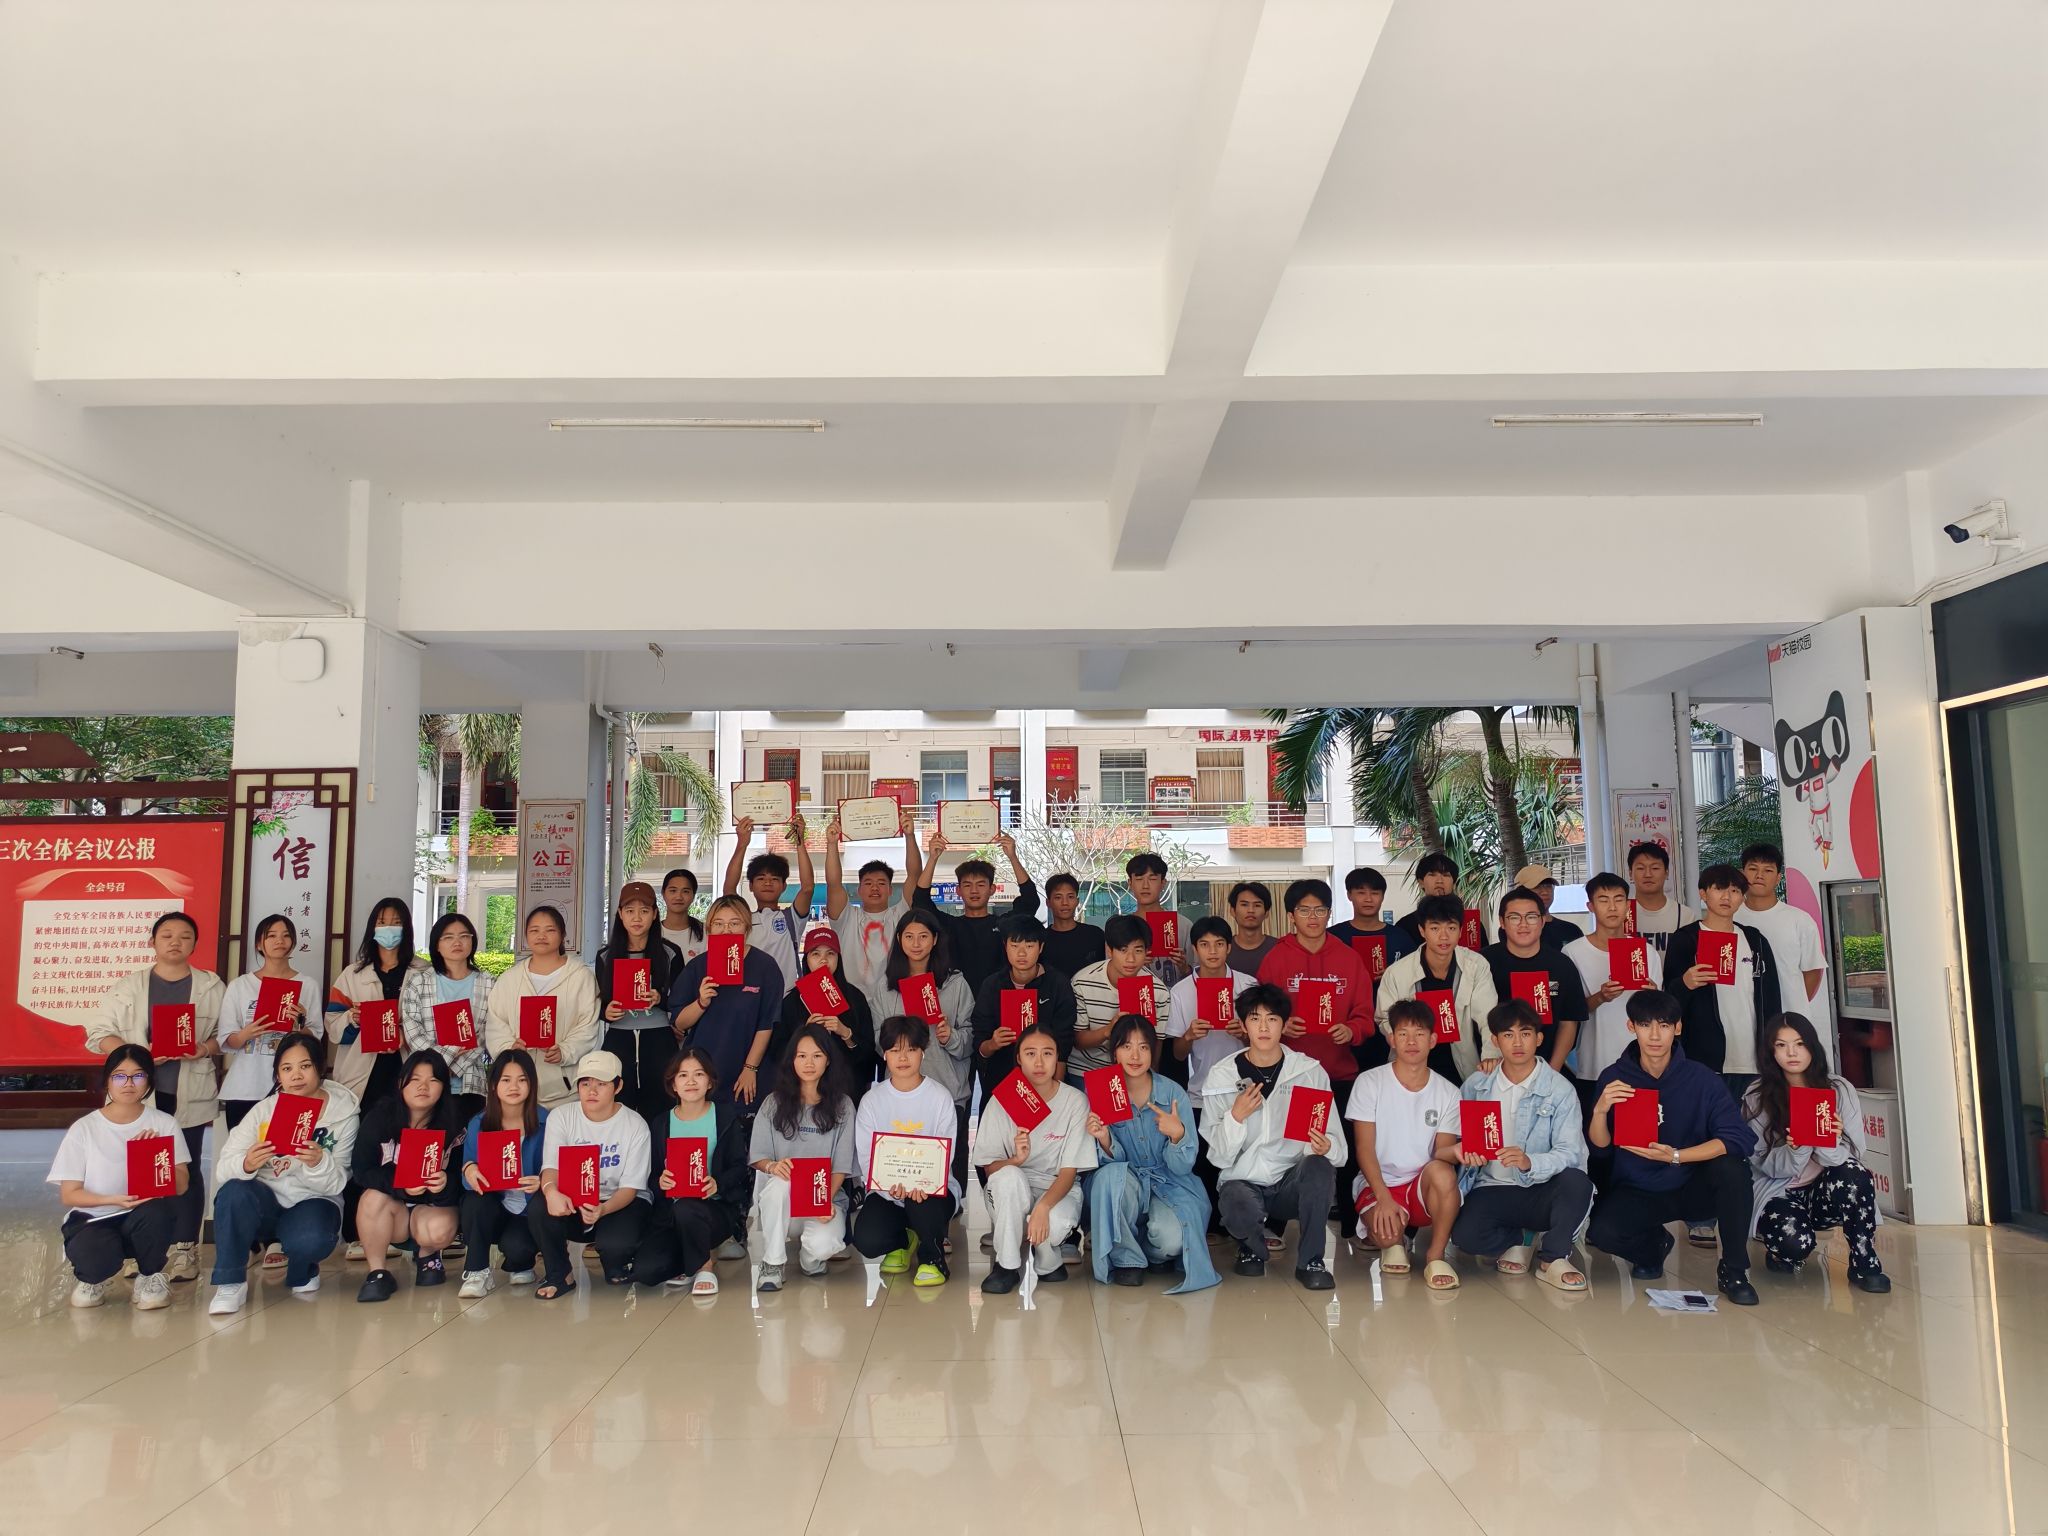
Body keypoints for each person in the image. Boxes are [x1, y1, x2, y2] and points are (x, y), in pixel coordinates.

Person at [1585, 990, 1760, 1305]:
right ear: (1631, 1027)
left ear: (1678, 1028)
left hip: (1692, 1184)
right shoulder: (1614, 1078)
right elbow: (1600, 1150)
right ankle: (1653, 1247)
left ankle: (1734, 1270)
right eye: (1645, 1025)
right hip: (1638, 1187)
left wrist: (1677, 1156)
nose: (1655, 1035)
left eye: (1664, 1025)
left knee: (1733, 1169)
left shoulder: (1702, 1078)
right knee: (1602, 1233)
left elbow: (1738, 1138)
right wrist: (1600, 1111)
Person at [86, 910, 224, 1285]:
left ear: (195, 944)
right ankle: (142, 1249)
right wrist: (135, 1054)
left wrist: (204, 1048)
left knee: (185, 1167)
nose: (175, 942)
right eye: (167, 935)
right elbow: (98, 1032)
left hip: (188, 1089)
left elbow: (227, 1035)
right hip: (139, 1094)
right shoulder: (129, 986)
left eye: (184, 936)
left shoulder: (211, 986)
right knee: (141, 1168)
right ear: (152, 942)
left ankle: (185, 1249)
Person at [1199, 983, 1342, 1291]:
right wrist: (1236, 1117)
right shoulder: (1222, 1075)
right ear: (1243, 1025)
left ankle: (1311, 1261)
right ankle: (1252, 1247)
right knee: (1235, 1199)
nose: (1263, 1027)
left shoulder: (1308, 1071)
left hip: (1291, 1181)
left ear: (1284, 1024)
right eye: (1255, 1018)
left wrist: (1326, 1145)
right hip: (1244, 1180)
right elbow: (1218, 1157)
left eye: (1272, 1019)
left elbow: (1334, 1138)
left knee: (1320, 1165)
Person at [208, 1031, 359, 1314]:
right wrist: (247, 1164)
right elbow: (223, 1168)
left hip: (313, 1200)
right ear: (278, 1075)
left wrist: (318, 1162)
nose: (296, 1076)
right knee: (233, 1192)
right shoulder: (264, 1111)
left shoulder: (344, 1114)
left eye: (305, 1066)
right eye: (287, 1069)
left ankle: (303, 1270)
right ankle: (230, 1282)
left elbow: (338, 1182)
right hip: (265, 1201)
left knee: (312, 1238)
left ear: (320, 1068)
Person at [1450, 1001, 1593, 1291]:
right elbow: (1456, 1138)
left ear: (1538, 1039)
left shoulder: (1559, 1088)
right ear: (1495, 1041)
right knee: (1465, 1238)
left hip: (1541, 1187)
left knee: (1577, 1183)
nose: (1517, 1043)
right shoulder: (1476, 1085)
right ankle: (1521, 1239)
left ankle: (1553, 1257)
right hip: (1491, 1187)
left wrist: (1530, 1162)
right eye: (1508, 1034)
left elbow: (1571, 1152)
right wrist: (1467, 1153)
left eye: (1525, 1034)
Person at [1743, 1012, 1889, 1292]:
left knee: (1854, 1174)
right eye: (1781, 1045)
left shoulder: (1838, 1089)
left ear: (1812, 1046)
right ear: (1771, 1051)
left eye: (1799, 1044)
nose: (1792, 1053)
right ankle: (1782, 1251)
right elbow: (1760, 1162)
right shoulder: (1758, 1095)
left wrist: (1828, 1139)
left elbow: (1853, 1156)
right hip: (1780, 1189)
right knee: (1795, 1244)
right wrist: (1795, 1149)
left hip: (1825, 1189)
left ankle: (1864, 1262)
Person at [49, 1044, 190, 1310]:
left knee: (157, 1212)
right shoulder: (84, 1128)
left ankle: (150, 1276)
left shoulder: (164, 1123)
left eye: (138, 1075)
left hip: (143, 1216)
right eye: (119, 1076)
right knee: (95, 1259)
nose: (128, 1083)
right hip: (94, 1218)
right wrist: (114, 1199)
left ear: (149, 1081)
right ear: (107, 1081)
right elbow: (69, 1195)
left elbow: (182, 1186)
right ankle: (93, 1280)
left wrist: (155, 1155)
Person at [1084, 1015, 1217, 1293]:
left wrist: (1177, 1135)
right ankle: (1128, 1259)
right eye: (1126, 1047)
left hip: (1170, 1181)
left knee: (1172, 1241)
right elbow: (1107, 1165)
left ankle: (1153, 1252)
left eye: (1143, 1047)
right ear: (1114, 1052)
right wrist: (1105, 1138)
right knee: (1109, 1177)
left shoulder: (1173, 1093)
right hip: (1127, 1182)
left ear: (1153, 1051)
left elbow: (1183, 1167)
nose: (1135, 1056)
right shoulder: (1103, 1089)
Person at [1348, 1000, 1464, 1290]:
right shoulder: (1369, 1082)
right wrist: (1384, 1198)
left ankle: (1436, 1255)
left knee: (1443, 1173)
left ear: (1433, 1040)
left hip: (1421, 1185)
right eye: (1403, 1034)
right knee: (1388, 1239)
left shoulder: (1449, 1092)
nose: (1411, 1042)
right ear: (1391, 1039)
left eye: (1419, 1034)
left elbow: (1441, 1154)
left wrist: (1458, 1152)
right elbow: (1364, 1148)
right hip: (1380, 1182)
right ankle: (1396, 1238)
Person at [974, 1019, 1096, 1294]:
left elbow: (1069, 1172)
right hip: (1010, 1190)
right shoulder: (1001, 1099)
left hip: (1057, 1188)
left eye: (1047, 1053)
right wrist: (1015, 1160)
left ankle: (1047, 1259)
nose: (1039, 1062)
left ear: (1057, 1057)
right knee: (1009, 1177)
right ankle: (1006, 1266)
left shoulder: (1074, 1101)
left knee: (1052, 1224)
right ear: (1019, 1058)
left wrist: (1041, 1209)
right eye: (1030, 1053)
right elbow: (990, 1169)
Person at [531, 1049, 651, 1298]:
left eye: (601, 1084)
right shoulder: (562, 1116)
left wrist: (603, 1209)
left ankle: (616, 1260)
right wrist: (551, 1191)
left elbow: (630, 1188)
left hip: (618, 1201)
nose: (591, 1091)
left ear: (618, 1086)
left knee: (616, 1246)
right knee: (539, 1207)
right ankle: (559, 1274)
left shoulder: (635, 1124)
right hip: (573, 1199)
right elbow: (551, 1166)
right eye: (585, 1083)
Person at [851, 1018, 959, 1289]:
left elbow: (944, 1156)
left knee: (921, 1204)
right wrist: (890, 1189)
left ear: (923, 1052)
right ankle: (903, 1240)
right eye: (894, 1050)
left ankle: (932, 1257)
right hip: (887, 1191)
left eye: (911, 1049)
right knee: (867, 1240)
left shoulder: (940, 1098)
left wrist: (921, 1183)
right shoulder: (872, 1101)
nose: (903, 1058)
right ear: (884, 1054)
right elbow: (867, 1158)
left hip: (932, 1192)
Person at [749, 1024, 857, 1291]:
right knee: (780, 1183)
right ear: (792, 1060)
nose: (809, 1063)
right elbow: (758, 1156)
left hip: (824, 1200)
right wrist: (773, 1166)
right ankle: (773, 1263)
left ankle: (811, 1257)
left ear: (828, 1061)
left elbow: (841, 1166)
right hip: (783, 1203)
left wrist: (823, 1201)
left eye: (817, 1056)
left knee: (824, 1244)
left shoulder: (843, 1105)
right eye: (802, 1056)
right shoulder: (773, 1103)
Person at [350, 1049, 464, 1302]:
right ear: (401, 1083)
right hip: (393, 1210)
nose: (423, 1086)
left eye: (433, 1080)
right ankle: (378, 1272)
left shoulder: (454, 1123)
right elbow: (361, 1169)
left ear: (444, 1086)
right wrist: (400, 1187)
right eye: (415, 1079)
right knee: (371, 1198)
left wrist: (445, 1184)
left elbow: (463, 1179)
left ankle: (428, 1255)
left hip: (431, 1208)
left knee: (439, 1229)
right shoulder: (380, 1117)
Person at [637, 1047, 751, 1295]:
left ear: (709, 1082)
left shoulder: (724, 1116)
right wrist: (661, 1182)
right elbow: (651, 1176)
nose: (690, 1081)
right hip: (671, 1214)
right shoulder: (661, 1123)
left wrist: (718, 1183)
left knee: (687, 1208)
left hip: (715, 1210)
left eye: (699, 1074)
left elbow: (740, 1167)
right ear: (673, 1084)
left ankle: (704, 1266)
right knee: (646, 1272)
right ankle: (691, 1258)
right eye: (682, 1075)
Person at [1663, 863, 1783, 1086]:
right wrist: (1685, 983)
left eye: (1735, 891)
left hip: (1754, 1061)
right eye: (1719, 889)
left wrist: (1773, 1049)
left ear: (1742, 898)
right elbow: (1667, 1001)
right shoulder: (1686, 939)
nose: (1727, 897)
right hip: (1703, 1060)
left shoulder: (1755, 939)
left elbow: (1772, 998)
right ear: (1703, 894)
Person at [883, 908, 976, 1194]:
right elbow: (878, 1040)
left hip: (948, 1087)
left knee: (948, 1171)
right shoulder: (886, 988)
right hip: (902, 1092)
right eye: (909, 936)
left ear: (935, 940)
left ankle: (948, 1212)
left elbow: (972, 1035)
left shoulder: (955, 984)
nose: (916, 943)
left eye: (923, 936)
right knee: (906, 1167)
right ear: (899, 939)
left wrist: (951, 1037)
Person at [1257, 878, 1372, 1099]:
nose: (1312, 917)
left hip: (1339, 1075)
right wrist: (1280, 1025)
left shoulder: (1349, 958)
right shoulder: (1275, 959)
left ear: (1329, 914)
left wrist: (1351, 1030)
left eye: (1320, 910)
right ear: (1291, 916)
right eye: (1304, 910)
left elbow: (1365, 1014)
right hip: (1287, 1075)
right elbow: (1259, 1014)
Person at [667, 894, 783, 1108]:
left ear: (747, 927)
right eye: (719, 924)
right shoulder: (698, 967)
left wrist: (750, 1068)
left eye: (734, 923)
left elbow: (766, 1023)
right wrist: (701, 1002)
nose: (726, 930)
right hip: (703, 1072)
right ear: (709, 929)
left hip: (747, 1071)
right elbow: (680, 1023)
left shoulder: (765, 967)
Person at [484, 904, 601, 1110]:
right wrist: (509, 1048)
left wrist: (565, 1051)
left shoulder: (580, 976)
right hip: (517, 1090)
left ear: (563, 935)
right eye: (534, 930)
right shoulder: (510, 979)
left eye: (550, 930)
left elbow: (588, 1025)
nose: (541, 936)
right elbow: (496, 1023)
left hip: (565, 1091)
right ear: (526, 935)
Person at [1377, 894, 1498, 1084]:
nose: (1444, 936)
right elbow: (1385, 1018)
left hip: (1463, 1068)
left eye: (1451, 928)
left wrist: (1490, 1055)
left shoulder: (1475, 966)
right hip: (1412, 1066)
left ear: (1461, 930)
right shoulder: (1397, 973)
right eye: (1435, 928)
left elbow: (1488, 1016)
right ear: (1422, 930)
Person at [457, 1048, 547, 1296]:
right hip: (494, 1205)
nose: (513, 1087)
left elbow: (559, 1169)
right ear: (494, 1085)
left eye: (522, 1080)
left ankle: (521, 1262)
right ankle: (477, 1271)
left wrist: (544, 1181)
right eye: (506, 1080)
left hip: (528, 1210)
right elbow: (467, 1173)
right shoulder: (480, 1123)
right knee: (474, 1202)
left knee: (518, 1248)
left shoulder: (547, 1122)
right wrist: (470, 1169)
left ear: (532, 1084)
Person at [326, 898, 427, 1114]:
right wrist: (352, 1019)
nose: (389, 928)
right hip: (362, 1076)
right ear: (372, 927)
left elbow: (435, 1024)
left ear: (407, 928)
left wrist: (406, 1032)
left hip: (409, 1070)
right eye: (382, 922)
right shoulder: (352, 974)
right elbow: (333, 1027)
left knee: (408, 1126)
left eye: (396, 922)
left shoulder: (424, 972)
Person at [219, 913, 318, 1130]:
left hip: (292, 1085)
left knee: (286, 1148)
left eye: (286, 935)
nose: (279, 940)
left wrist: (299, 1025)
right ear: (259, 944)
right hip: (245, 1087)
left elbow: (315, 1037)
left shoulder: (308, 985)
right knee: (243, 1148)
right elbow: (227, 1040)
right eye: (271, 935)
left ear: (293, 942)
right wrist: (246, 1034)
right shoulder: (240, 985)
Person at [593, 882, 684, 1117]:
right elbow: (600, 1003)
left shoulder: (670, 953)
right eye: (630, 911)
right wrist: (607, 1012)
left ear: (654, 914)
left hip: (659, 1039)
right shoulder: (605, 956)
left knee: (663, 1106)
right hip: (619, 1039)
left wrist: (660, 998)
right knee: (617, 1106)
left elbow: (681, 1001)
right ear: (620, 914)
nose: (637, 918)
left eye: (644, 911)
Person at [1480, 886, 1589, 1075]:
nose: (1523, 924)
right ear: (1502, 922)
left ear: (1542, 920)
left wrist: (1552, 1071)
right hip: (1494, 1070)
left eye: (1531, 917)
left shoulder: (1562, 965)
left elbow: (1569, 1022)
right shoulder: (1483, 963)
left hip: (1547, 1067)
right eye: (1514, 917)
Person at [913, 828, 1039, 990]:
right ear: (958, 891)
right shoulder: (949, 925)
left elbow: (1030, 901)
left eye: (980, 885)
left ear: (992, 889)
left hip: (998, 999)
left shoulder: (1004, 925)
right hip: (956, 998)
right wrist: (932, 859)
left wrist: (1012, 857)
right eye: (967, 885)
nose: (974, 891)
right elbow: (920, 902)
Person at [970, 914, 1079, 1094]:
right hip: (1001, 1081)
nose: (1021, 953)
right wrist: (993, 1043)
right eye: (1014, 946)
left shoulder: (1057, 984)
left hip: (1044, 1079)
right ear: (1005, 946)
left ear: (1041, 947)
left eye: (1029, 946)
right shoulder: (992, 985)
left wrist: (1054, 1094)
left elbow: (1063, 1042)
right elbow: (980, 1042)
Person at [1561, 872, 1639, 1120]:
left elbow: (1658, 1011)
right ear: (1590, 906)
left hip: (1639, 1063)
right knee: (1596, 1134)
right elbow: (1569, 1011)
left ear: (1628, 905)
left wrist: (1650, 995)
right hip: (1592, 1064)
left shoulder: (1643, 952)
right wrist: (1601, 997)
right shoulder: (1572, 952)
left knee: (1638, 1135)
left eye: (1619, 899)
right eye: (1603, 900)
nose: (1612, 907)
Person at [400, 912, 493, 1121]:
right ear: (437, 945)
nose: (457, 942)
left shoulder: (489, 983)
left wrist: (453, 1067)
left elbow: (487, 1034)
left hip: (471, 1084)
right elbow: (414, 1035)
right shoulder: (419, 982)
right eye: (448, 937)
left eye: (464, 936)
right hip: (426, 1086)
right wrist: (440, 1069)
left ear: (472, 941)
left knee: (466, 1139)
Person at [768, 926, 878, 1094]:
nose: (823, 960)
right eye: (816, 954)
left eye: (830, 954)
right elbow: (777, 1052)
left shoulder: (855, 998)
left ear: (839, 958)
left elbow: (869, 1053)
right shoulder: (791, 1001)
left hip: (847, 1089)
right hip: (802, 1092)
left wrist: (846, 1033)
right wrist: (803, 1034)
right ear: (806, 959)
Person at [826, 818, 921, 1010]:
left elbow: (915, 875)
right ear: (859, 890)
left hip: (895, 1002)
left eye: (882, 883)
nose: (875, 888)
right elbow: (834, 883)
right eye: (868, 883)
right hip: (852, 1002)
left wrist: (910, 836)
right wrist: (832, 844)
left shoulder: (900, 915)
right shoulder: (847, 917)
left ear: (891, 890)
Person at [1070, 914, 1171, 1085]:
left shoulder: (1158, 992)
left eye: (1138, 950)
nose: (1131, 959)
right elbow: (1078, 1040)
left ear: (1147, 952)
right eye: (1123, 950)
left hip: (1136, 1073)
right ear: (1109, 950)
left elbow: (1156, 1045)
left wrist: (1149, 1081)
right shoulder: (1083, 981)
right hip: (1088, 1069)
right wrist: (1107, 1031)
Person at [723, 815, 816, 992]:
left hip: (786, 998)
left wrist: (799, 841)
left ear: (784, 886)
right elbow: (729, 889)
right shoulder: (743, 919)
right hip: (750, 1000)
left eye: (774, 879)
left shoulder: (792, 918)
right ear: (750, 886)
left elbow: (808, 888)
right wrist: (742, 844)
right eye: (761, 878)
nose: (767, 883)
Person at [1163, 915, 1252, 1093]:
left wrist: (1243, 1034)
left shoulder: (1248, 985)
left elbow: (1264, 1042)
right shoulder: (1180, 991)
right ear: (1195, 949)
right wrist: (1189, 1035)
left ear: (1228, 947)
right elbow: (1178, 1055)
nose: (1212, 951)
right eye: (1204, 944)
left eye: (1219, 944)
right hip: (1201, 1091)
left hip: (1244, 1088)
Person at [1739, 843, 1828, 1012]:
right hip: (1743, 1017)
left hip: (1787, 1017)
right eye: (1753, 869)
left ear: (1778, 878)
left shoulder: (1800, 920)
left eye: (1768, 870)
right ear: (1742, 874)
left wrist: (1794, 1007)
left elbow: (1812, 971)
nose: (1759, 876)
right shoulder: (1730, 918)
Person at [1327, 867, 1418, 969]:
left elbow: (1414, 971)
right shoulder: (1333, 936)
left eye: (1375, 893)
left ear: (1383, 896)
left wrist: (1392, 974)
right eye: (1361, 893)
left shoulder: (1400, 937)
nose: (1368, 899)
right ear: (1349, 895)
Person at [1123, 852, 1188, 985]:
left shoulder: (1183, 925)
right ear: (1130, 883)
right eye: (1139, 879)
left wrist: (1184, 968)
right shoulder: (1121, 928)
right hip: (1134, 996)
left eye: (1152, 879)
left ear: (1163, 883)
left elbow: (1200, 974)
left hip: (1174, 996)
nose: (1145, 886)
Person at [1626, 841, 1694, 957]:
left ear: (1666, 873)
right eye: (1641, 868)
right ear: (1630, 873)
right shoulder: (1622, 913)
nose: (1648, 874)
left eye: (1655, 868)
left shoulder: (1685, 915)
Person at [1500, 863, 1585, 950]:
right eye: (1537, 887)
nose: (1545, 892)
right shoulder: (1513, 930)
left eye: (1548, 886)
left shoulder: (1571, 930)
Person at [1040, 872, 1106, 980]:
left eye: (1070, 897)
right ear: (1048, 902)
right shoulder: (1041, 940)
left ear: (1077, 901)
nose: (1065, 903)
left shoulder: (1095, 935)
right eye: (1058, 897)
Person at [1393, 853, 1461, 948]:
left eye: (1446, 875)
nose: (1439, 881)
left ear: (1454, 883)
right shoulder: (1405, 925)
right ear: (1421, 882)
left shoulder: (1470, 922)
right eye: (1432, 875)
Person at [1223, 881, 1278, 977]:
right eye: (1244, 905)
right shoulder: (1222, 950)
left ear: (1266, 913)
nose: (1251, 910)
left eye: (1257, 905)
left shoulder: (1279, 948)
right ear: (1232, 911)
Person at [660, 867, 709, 968]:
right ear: (663, 894)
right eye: (673, 891)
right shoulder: (651, 932)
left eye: (685, 891)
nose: (678, 897)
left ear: (693, 895)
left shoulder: (706, 933)